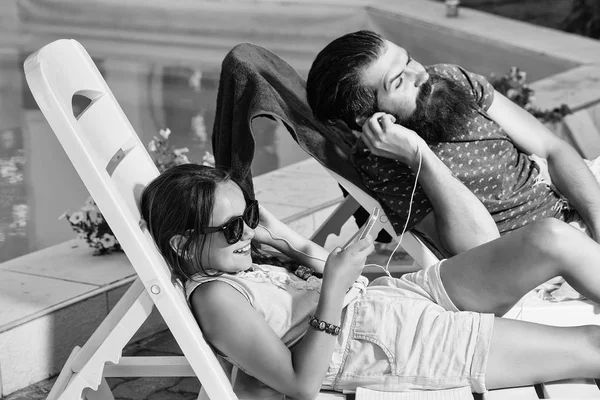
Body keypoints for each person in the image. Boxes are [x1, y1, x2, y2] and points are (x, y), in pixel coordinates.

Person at [140, 163, 600, 399]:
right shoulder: (217, 296)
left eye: (250, 215)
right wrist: (336, 286)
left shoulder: (232, 263)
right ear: (182, 245)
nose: (247, 232)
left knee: (549, 238)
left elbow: (302, 288)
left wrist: (277, 240)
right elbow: (300, 384)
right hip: (390, 343)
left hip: (391, 300)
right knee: (592, 347)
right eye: (233, 227)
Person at [306, 30, 600, 255]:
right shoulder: (382, 164)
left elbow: (552, 149)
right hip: (538, 252)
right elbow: (479, 249)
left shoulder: (449, 79)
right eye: (398, 81)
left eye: (408, 60)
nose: (421, 74)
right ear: (366, 117)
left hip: (577, 211)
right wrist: (418, 156)